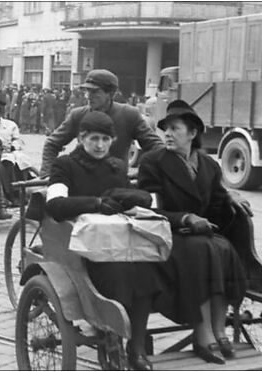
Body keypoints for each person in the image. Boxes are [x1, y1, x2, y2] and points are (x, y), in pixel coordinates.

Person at [45, 111, 164, 371]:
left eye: (106, 139)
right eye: (94, 139)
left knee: (144, 270)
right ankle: (112, 334)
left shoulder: (116, 166)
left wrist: (135, 197)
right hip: (79, 246)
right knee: (116, 272)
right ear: (81, 138)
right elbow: (54, 205)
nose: (100, 145)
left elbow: (125, 202)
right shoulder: (65, 165)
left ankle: (136, 347)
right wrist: (96, 203)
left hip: (115, 240)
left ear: (113, 140)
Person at [138, 100, 249, 365]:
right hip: (166, 234)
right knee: (204, 251)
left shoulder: (209, 166)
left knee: (224, 249)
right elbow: (149, 210)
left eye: (175, 129)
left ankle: (220, 329)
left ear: (192, 133)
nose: (167, 134)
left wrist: (230, 199)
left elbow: (217, 201)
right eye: (165, 129)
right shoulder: (152, 162)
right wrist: (185, 217)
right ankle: (203, 334)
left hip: (200, 235)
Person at [40, 69, 164, 177]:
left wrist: (145, 171)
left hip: (115, 184)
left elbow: (156, 146)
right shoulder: (78, 115)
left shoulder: (128, 114)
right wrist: (47, 174)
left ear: (110, 94)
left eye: (95, 92)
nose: (88, 96)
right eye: (87, 91)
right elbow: (52, 143)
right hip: (82, 184)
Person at [0, 95, 34, 202]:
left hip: (10, 152)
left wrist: (13, 146)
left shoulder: (10, 125)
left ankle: (23, 190)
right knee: (8, 162)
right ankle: (11, 193)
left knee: (22, 160)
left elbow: (18, 140)